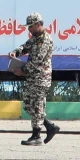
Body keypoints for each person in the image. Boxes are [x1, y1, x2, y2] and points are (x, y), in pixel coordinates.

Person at [9, 12, 59, 146]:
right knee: (27, 105)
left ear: (38, 25)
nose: (29, 29)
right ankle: (49, 126)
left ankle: (36, 136)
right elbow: (25, 46)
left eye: (31, 26)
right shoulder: (35, 38)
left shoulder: (45, 40)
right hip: (33, 78)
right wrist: (16, 52)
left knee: (37, 106)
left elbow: (36, 62)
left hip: (41, 78)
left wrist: (22, 71)